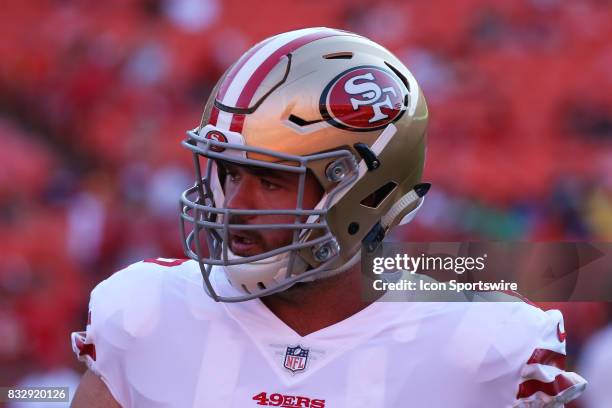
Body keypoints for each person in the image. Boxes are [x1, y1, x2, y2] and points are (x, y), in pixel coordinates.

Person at [70, 27, 586, 407]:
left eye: (272, 181)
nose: (235, 207)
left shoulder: (486, 346)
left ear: (364, 191)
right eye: (229, 174)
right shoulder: (147, 313)